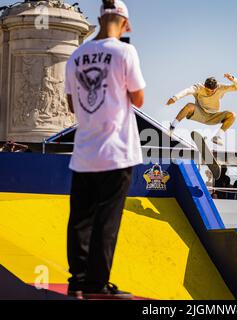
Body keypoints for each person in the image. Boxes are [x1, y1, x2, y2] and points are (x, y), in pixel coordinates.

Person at [64, 0, 145, 300]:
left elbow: (72, 103)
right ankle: (97, 285)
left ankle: (78, 281)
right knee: (106, 218)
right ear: (125, 23)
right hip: (117, 150)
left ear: (100, 19)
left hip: (84, 150)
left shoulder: (75, 56)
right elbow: (138, 98)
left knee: (81, 218)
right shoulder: (125, 51)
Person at [166, 74, 237, 146]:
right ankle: (172, 127)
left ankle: (217, 137)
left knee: (232, 115)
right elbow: (187, 91)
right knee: (189, 106)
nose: (209, 92)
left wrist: (233, 79)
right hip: (199, 113)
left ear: (216, 88)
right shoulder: (199, 87)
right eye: (207, 90)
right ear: (204, 86)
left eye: (212, 91)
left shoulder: (221, 87)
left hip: (213, 116)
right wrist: (175, 98)